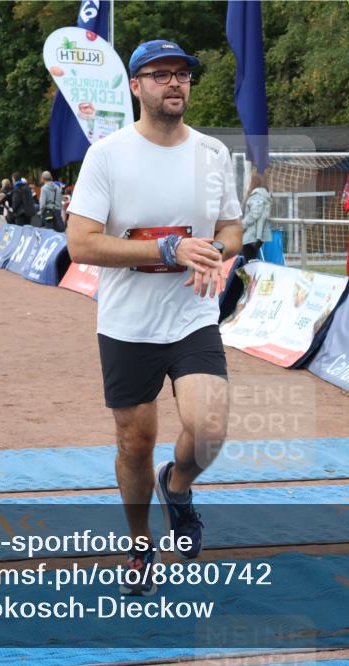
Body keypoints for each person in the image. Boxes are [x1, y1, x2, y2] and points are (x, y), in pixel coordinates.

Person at [67, 39, 242, 596]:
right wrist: (167, 251)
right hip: (127, 325)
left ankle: (180, 486)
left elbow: (233, 229)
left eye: (183, 74)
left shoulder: (213, 153)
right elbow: (80, 244)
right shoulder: (108, 155)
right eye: (160, 74)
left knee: (210, 428)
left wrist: (213, 250)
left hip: (192, 316)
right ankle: (140, 544)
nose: (175, 83)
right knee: (134, 443)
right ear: (137, 86)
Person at [240, 170, 272, 261]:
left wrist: (242, 226)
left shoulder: (257, 195)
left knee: (246, 265)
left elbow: (255, 213)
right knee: (251, 262)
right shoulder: (265, 194)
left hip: (250, 236)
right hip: (256, 237)